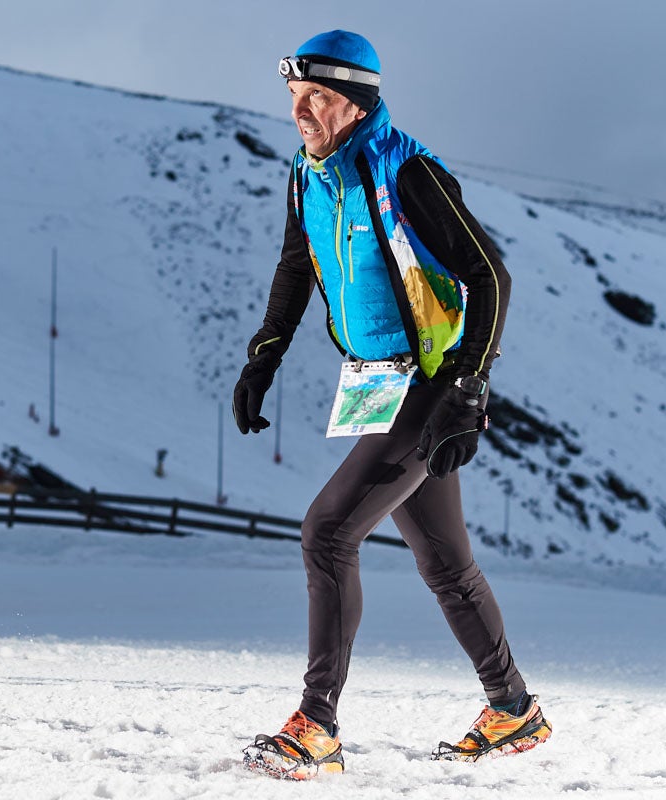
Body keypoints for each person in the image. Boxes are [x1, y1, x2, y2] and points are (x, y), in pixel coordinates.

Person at [234, 32, 551, 779]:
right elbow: (294, 263)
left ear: (359, 100)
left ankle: (317, 724)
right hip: (378, 378)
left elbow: (491, 277)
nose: (300, 111)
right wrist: (264, 357)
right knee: (445, 563)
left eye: (317, 97)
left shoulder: (405, 170)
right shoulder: (307, 172)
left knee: (327, 533)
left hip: (430, 381)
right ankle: (513, 708)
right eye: (293, 97)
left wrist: (468, 390)